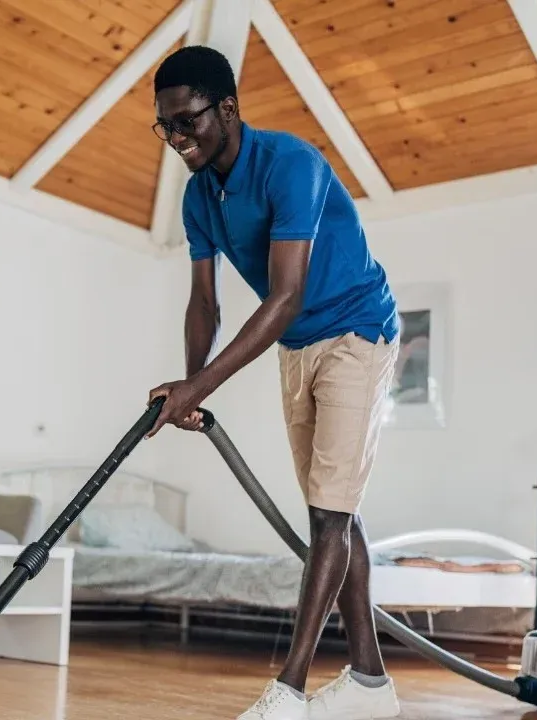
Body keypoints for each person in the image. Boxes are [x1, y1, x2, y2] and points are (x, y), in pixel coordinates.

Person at [145, 45, 402, 720]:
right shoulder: (199, 198)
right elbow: (205, 302)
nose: (177, 139)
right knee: (334, 507)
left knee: (328, 515)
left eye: (187, 122)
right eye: (164, 127)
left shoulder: (293, 165)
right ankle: (372, 683)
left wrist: (197, 390)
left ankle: (287, 691)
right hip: (297, 347)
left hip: (357, 330)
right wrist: (193, 383)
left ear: (226, 108)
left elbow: (285, 294)